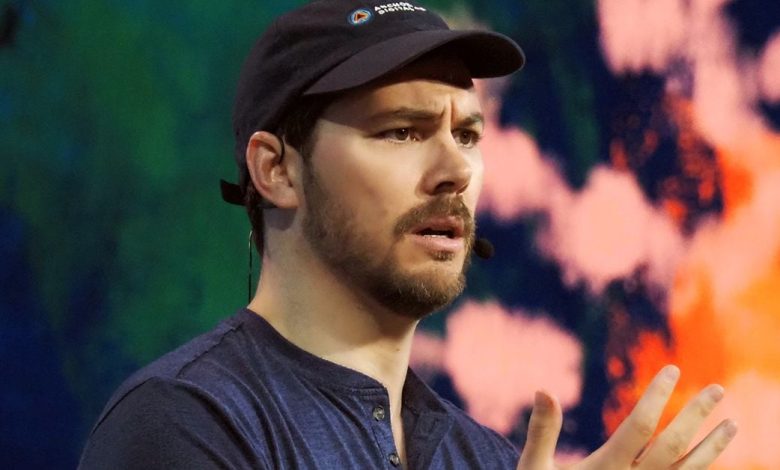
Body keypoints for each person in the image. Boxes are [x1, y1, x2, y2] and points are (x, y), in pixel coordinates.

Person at [78, 1, 737, 468]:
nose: (456, 170)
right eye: (401, 131)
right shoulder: (184, 422)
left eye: (468, 135)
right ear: (277, 170)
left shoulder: (486, 459)